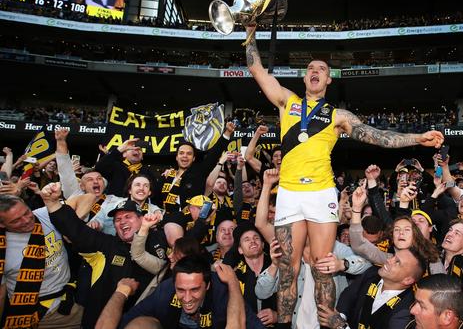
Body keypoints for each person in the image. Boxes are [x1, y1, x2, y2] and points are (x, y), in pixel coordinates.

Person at [245, 24, 444, 328]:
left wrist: (418, 138)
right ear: (304, 77)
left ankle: (327, 326)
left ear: (328, 79)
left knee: (323, 268)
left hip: (321, 192)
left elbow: (378, 136)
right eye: (310, 68)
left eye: (321, 68)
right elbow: (257, 70)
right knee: (288, 268)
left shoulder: (338, 116)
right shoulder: (288, 102)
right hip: (288, 192)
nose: (314, 71)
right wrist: (250, 36)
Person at [42, 182, 167, 328]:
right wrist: (53, 204)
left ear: (141, 219)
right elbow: (76, 230)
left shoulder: (160, 241)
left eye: (128, 217)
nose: (122, 222)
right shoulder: (106, 245)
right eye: (118, 220)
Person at [0, 194, 82, 328]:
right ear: (2, 224)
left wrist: (72, 227)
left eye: (26, 212)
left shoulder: (44, 215)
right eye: (16, 221)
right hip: (41, 314)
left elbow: (87, 198)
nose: (26, 220)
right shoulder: (2, 250)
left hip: (73, 296)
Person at [118, 255, 264, 328]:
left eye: (194, 289)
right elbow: (124, 322)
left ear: (207, 286)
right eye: (181, 290)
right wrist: (120, 292)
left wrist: (233, 282)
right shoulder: (166, 290)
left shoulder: (222, 291)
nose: (187, 298)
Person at [319, 247, 426, 329]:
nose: (389, 260)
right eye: (393, 256)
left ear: (407, 280)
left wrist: (340, 325)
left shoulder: (406, 310)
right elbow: (349, 295)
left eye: (397, 262)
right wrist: (340, 316)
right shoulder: (371, 273)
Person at [156, 122, 234, 215]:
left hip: (190, 222)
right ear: (176, 157)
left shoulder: (198, 173)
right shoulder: (166, 177)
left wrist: (227, 133)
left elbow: (213, 155)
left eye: (189, 154)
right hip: (164, 221)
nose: (185, 156)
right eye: (181, 153)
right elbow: (155, 199)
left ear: (193, 158)